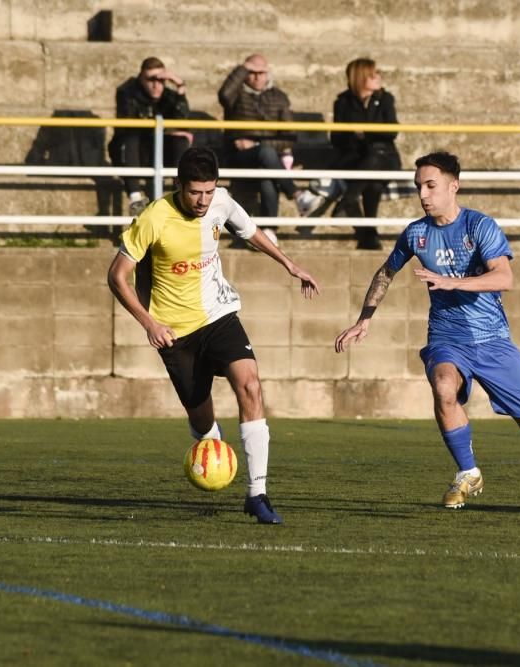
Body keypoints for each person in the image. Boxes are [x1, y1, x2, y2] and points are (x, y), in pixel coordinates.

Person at [334, 151, 520, 518]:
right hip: (447, 337)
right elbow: (384, 273)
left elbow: (504, 278)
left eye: (430, 186)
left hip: (493, 341)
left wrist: (449, 281)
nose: (423, 195)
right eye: (418, 188)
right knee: (443, 385)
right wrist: (365, 319)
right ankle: (468, 471)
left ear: (453, 186)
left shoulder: (480, 226)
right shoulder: (416, 234)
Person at [108, 147, 320, 524]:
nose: (203, 200)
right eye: (195, 193)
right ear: (178, 186)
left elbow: (250, 230)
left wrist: (290, 265)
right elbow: (117, 276)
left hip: (219, 316)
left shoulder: (220, 201)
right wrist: (149, 323)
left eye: (209, 191)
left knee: (250, 384)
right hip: (175, 333)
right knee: (201, 419)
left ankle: (258, 494)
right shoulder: (155, 218)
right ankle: (209, 436)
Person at [218, 53, 323, 244]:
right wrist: (242, 68)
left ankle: (268, 230)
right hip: (238, 156)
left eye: (262, 72)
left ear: (268, 73)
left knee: (267, 172)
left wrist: (258, 145)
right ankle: (297, 195)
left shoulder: (279, 97)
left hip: (268, 159)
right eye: (252, 72)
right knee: (266, 156)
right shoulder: (236, 96)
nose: (257, 77)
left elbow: (289, 138)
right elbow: (224, 94)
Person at [330, 58, 402, 251]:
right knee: (374, 184)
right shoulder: (342, 102)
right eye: (373, 74)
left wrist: (365, 132)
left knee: (374, 161)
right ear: (360, 77)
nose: (378, 77)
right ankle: (369, 238)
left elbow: (392, 132)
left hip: (385, 157)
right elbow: (335, 138)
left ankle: (346, 201)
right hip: (355, 158)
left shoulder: (386, 99)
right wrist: (353, 134)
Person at [109, 57, 193, 217]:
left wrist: (181, 88)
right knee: (130, 137)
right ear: (141, 77)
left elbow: (183, 121)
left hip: (160, 150)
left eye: (161, 80)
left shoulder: (169, 95)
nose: (156, 85)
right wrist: (163, 128)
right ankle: (136, 200)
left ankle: (181, 196)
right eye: (151, 79)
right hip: (135, 151)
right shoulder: (127, 91)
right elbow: (128, 122)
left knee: (180, 142)